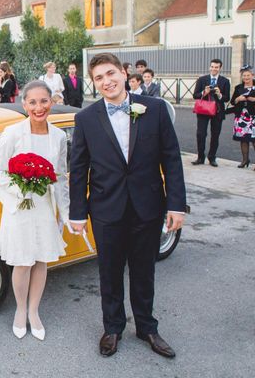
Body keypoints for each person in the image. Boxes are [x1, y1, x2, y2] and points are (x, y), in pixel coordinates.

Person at [69, 53, 185, 358]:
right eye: (98, 78)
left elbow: (171, 158)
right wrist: (78, 212)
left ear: (123, 72)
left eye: (111, 74)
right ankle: (113, 328)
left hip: (148, 206)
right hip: (106, 210)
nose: (106, 81)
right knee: (109, 272)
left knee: (144, 271)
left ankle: (147, 327)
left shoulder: (156, 109)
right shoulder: (85, 119)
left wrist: (176, 206)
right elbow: (79, 169)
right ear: (94, 84)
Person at [0, 80, 69, 341]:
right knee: (23, 262)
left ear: (51, 103)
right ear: (24, 104)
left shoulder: (59, 137)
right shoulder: (12, 133)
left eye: (44, 101)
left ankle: (34, 311)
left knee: (41, 260)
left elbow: (61, 178)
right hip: (19, 207)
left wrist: (65, 213)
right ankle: (20, 310)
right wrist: (20, 187)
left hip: (45, 207)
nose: (39, 107)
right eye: (32, 102)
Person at [192, 58, 230, 167]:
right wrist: (205, 92)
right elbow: (195, 95)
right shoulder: (202, 79)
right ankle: (200, 157)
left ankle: (212, 158)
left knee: (215, 135)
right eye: (212, 67)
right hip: (204, 110)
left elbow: (227, 98)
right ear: (210, 67)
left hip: (218, 111)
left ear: (220, 68)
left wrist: (219, 94)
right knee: (201, 134)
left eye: (216, 67)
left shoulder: (225, 81)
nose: (214, 69)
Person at [230, 65, 255, 168]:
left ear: (252, 75)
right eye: (244, 76)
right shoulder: (238, 88)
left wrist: (252, 99)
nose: (246, 78)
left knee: (254, 139)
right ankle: (245, 160)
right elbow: (232, 102)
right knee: (243, 139)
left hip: (253, 117)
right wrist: (237, 99)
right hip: (241, 116)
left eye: (248, 75)